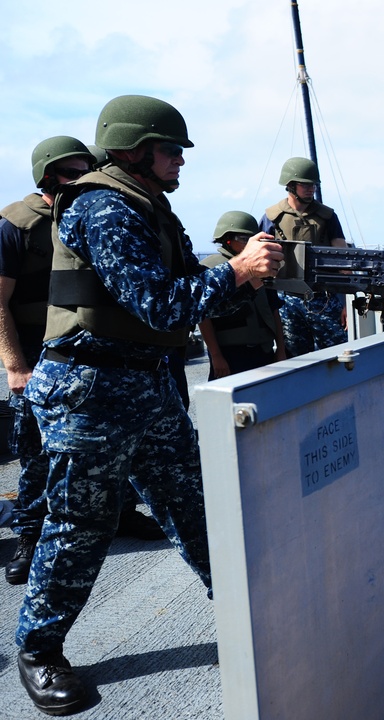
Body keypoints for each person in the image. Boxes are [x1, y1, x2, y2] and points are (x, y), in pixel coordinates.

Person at [14, 94, 283, 715]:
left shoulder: (150, 208)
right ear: (134, 150)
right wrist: (237, 271)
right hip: (89, 392)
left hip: (146, 384)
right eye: (170, 150)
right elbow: (159, 304)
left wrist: (248, 273)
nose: (180, 161)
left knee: (194, 505)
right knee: (80, 526)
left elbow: (191, 291)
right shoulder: (104, 207)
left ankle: (249, 612)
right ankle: (38, 650)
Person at [0, 139, 165, 589]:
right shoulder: (16, 227)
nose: (84, 179)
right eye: (73, 173)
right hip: (37, 357)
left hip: (90, 356)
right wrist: (15, 366)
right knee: (38, 456)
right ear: (46, 176)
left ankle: (123, 513)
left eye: (87, 170)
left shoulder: (95, 212)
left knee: (117, 444)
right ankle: (29, 537)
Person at [259, 157, 350, 356]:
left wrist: (346, 304)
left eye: (314, 185)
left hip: (324, 298)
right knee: (295, 359)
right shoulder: (272, 218)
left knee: (337, 356)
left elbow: (344, 262)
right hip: (287, 300)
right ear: (291, 186)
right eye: (306, 185)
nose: (311, 189)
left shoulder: (328, 216)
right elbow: (260, 262)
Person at [199, 210, 286, 378]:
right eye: (244, 239)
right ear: (227, 239)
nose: (250, 244)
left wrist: (281, 350)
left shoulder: (262, 267)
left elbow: (274, 310)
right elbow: (203, 318)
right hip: (231, 354)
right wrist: (216, 356)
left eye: (253, 239)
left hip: (264, 350)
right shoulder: (211, 270)